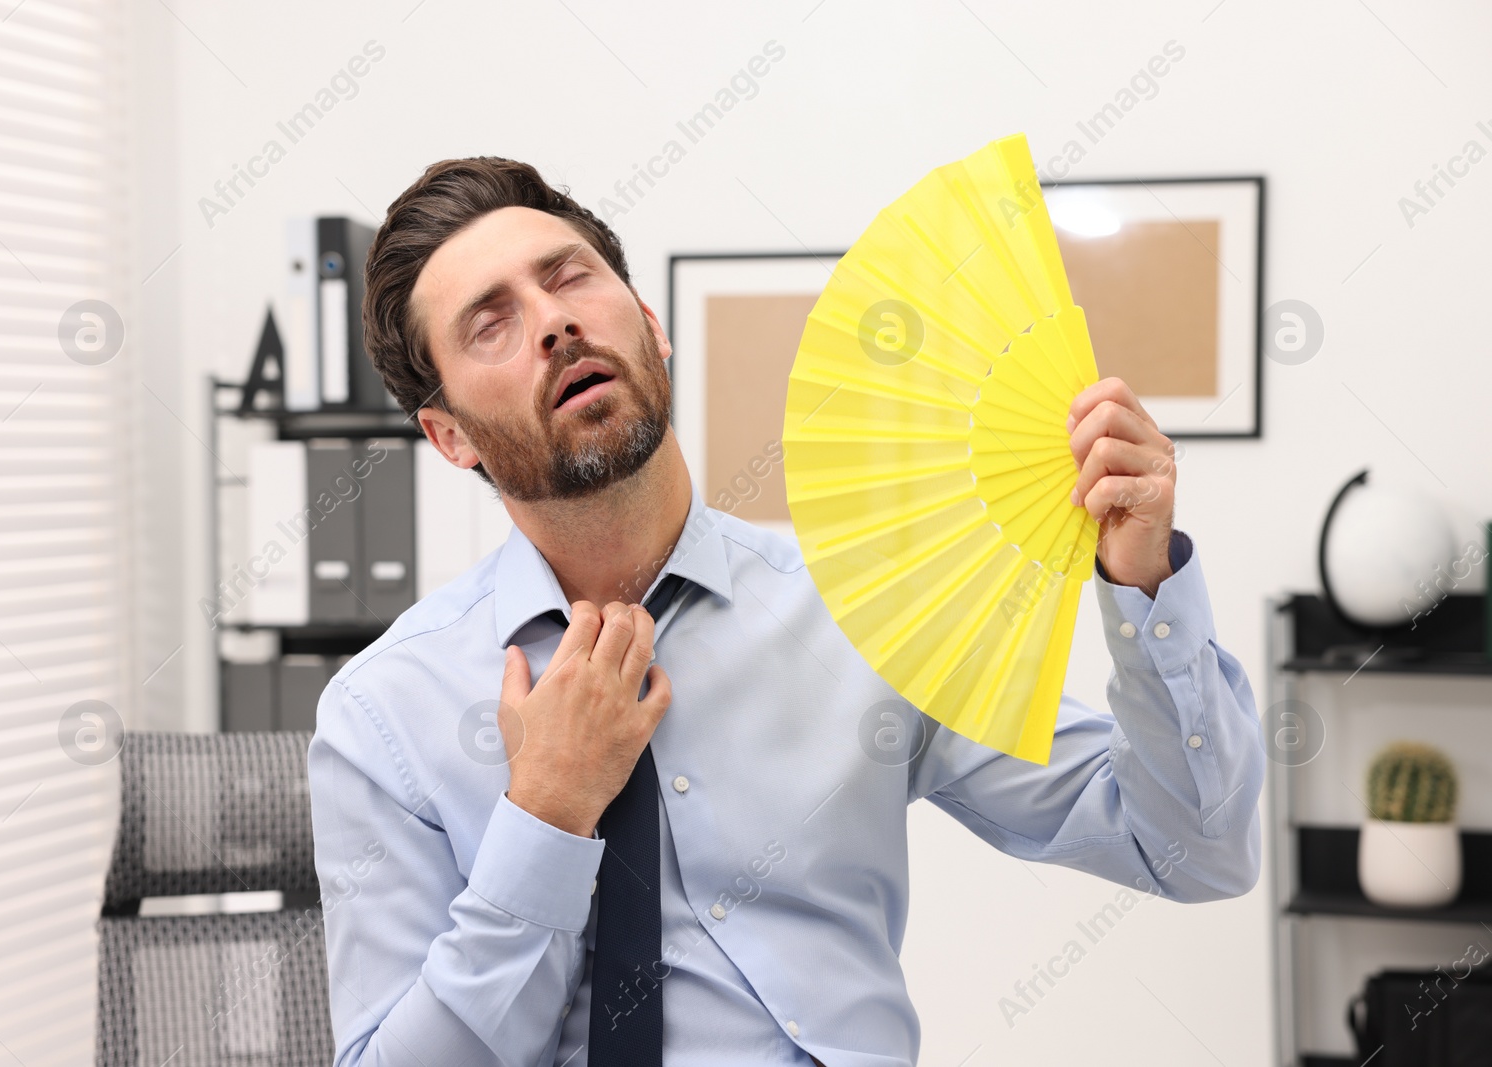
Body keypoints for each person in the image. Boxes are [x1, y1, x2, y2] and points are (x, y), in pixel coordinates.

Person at [307, 156, 1264, 1067]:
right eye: (492, 323)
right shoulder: (385, 714)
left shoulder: (865, 607)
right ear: (449, 435)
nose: (554, 323)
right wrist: (547, 816)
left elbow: (1190, 848)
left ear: (648, 323)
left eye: (568, 278)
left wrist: (1145, 586)